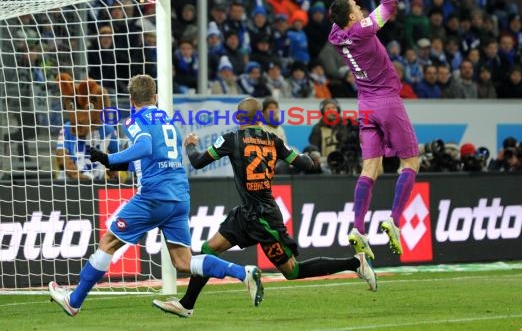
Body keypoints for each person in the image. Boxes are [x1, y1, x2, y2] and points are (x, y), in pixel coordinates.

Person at [49, 75, 263, 316]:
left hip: (153, 196)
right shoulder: (168, 121)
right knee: (183, 261)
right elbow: (152, 158)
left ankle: (74, 301)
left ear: (131, 100)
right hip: (179, 196)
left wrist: (109, 159)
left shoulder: (134, 121)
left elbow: (145, 148)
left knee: (108, 242)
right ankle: (242, 272)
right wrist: (117, 166)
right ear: (155, 96)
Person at [152, 97, 377, 318]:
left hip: (263, 219)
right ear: (259, 118)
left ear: (239, 118)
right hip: (248, 213)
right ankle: (186, 304)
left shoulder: (232, 138)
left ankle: (356, 262)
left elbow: (198, 161)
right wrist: (309, 156)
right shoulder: (273, 140)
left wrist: (190, 146)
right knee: (209, 250)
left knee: (292, 271)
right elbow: (306, 164)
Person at [329, 0, 420, 260]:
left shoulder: (336, 32)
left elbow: (344, 6)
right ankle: (394, 221)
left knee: (371, 168)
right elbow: (390, 3)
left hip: (365, 105)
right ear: (355, 16)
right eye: (357, 6)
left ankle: (357, 226)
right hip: (387, 102)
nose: (358, 5)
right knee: (411, 162)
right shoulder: (364, 29)